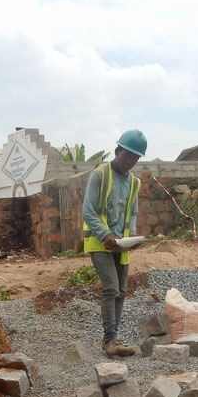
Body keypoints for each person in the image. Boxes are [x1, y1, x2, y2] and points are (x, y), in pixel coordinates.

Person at [81, 129, 147, 357]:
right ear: (118, 150)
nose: (130, 161)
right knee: (111, 288)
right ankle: (109, 340)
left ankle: (114, 338)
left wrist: (133, 236)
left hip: (122, 245)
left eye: (135, 158)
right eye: (127, 156)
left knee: (122, 291)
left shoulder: (135, 183)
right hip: (101, 243)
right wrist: (106, 234)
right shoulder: (100, 175)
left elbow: (133, 213)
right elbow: (88, 211)